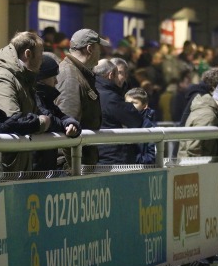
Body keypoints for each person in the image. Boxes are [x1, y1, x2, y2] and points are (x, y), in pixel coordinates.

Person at [0, 32, 74, 173]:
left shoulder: (23, 77)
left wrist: (66, 121)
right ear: (28, 54)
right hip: (5, 171)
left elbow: (41, 112)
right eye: (41, 54)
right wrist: (42, 123)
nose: (42, 60)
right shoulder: (4, 76)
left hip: (19, 167)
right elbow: (11, 120)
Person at [56, 29, 111, 167]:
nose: (101, 52)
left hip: (81, 160)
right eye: (99, 47)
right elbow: (67, 127)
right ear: (90, 49)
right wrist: (72, 168)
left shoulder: (78, 73)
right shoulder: (70, 76)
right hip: (74, 165)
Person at [31, 53, 81, 171]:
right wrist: (65, 125)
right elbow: (47, 117)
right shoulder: (33, 97)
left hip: (46, 166)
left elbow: (62, 116)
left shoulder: (47, 98)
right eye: (53, 77)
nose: (56, 82)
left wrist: (71, 123)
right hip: (34, 167)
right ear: (42, 78)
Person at [95, 59, 144, 165]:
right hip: (113, 158)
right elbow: (136, 119)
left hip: (97, 155)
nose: (119, 77)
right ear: (111, 75)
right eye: (117, 73)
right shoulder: (110, 97)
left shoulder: (91, 91)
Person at [125, 87, 157, 164]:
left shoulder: (149, 126)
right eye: (127, 102)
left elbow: (151, 157)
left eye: (134, 103)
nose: (129, 106)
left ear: (145, 105)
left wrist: (131, 159)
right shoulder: (121, 121)